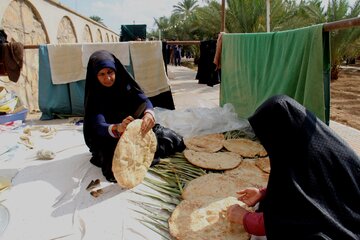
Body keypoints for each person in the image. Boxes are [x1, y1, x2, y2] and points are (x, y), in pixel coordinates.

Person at [227, 95, 360, 239]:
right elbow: (310, 189)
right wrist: (263, 193)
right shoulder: (320, 146)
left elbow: (292, 221)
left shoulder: (300, 160)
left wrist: (245, 218)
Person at [83, 50, 185, 182]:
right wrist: (117, 127)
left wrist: (148, 113)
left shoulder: (124, 84)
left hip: (134, 131)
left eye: (110, 72)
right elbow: (98, 125)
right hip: (110, 137)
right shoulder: (95, 96)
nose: (107, 78)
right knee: (114, 167)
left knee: (173, 139)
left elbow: (144, 101)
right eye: (101, 74)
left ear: (116, 70)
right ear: (95, 76)